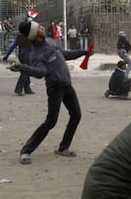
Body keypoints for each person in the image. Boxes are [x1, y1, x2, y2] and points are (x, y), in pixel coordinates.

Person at [9, 20, 89, 165]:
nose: (42, 27)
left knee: (76, 115)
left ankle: (63, 147)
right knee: (51, 122)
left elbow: (65, 54)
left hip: (67, 85)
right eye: (38, 27)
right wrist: (22, 68)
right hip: (55, 88)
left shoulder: (51, 43)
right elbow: (41, 72)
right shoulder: (36, 55)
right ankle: (26, 151)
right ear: (35, 35)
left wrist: (83, 53)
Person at [3, 20, 34, 96]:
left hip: (21, 55)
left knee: (26, 71)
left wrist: (7, 55)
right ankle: (18, 89)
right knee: (25, 72)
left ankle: (27, 89)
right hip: (27, 55)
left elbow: (12, 47)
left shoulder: (19, 37)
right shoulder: (30, 36)